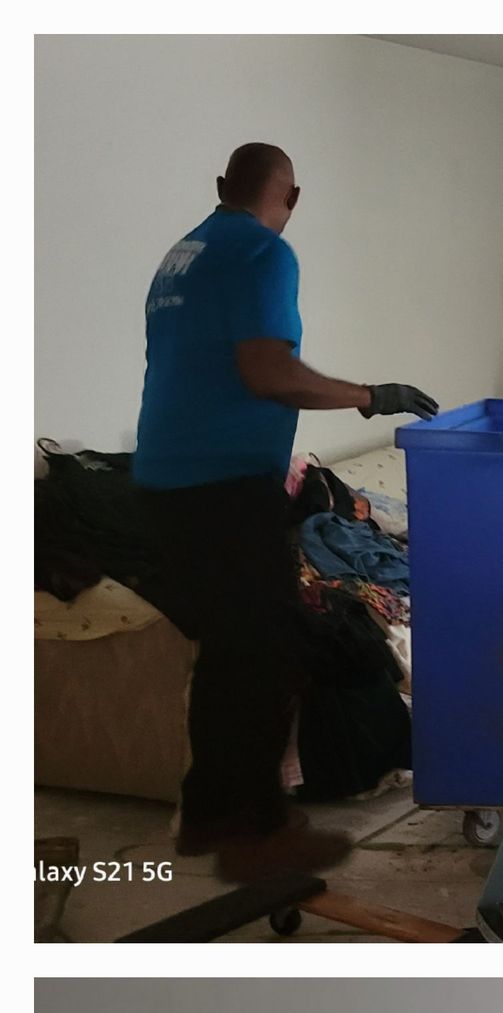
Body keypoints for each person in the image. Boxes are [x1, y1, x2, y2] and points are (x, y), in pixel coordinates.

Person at [133, 142, 439, 879]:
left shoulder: (183, 253)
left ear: (219, 187)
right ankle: (258, 833)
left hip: (161, 483)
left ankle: (209, 813)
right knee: (268, 655)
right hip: (224, 485)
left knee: (231, 655)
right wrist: (372, 396)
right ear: (290, 198)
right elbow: (268, 372)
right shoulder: (266, 254)